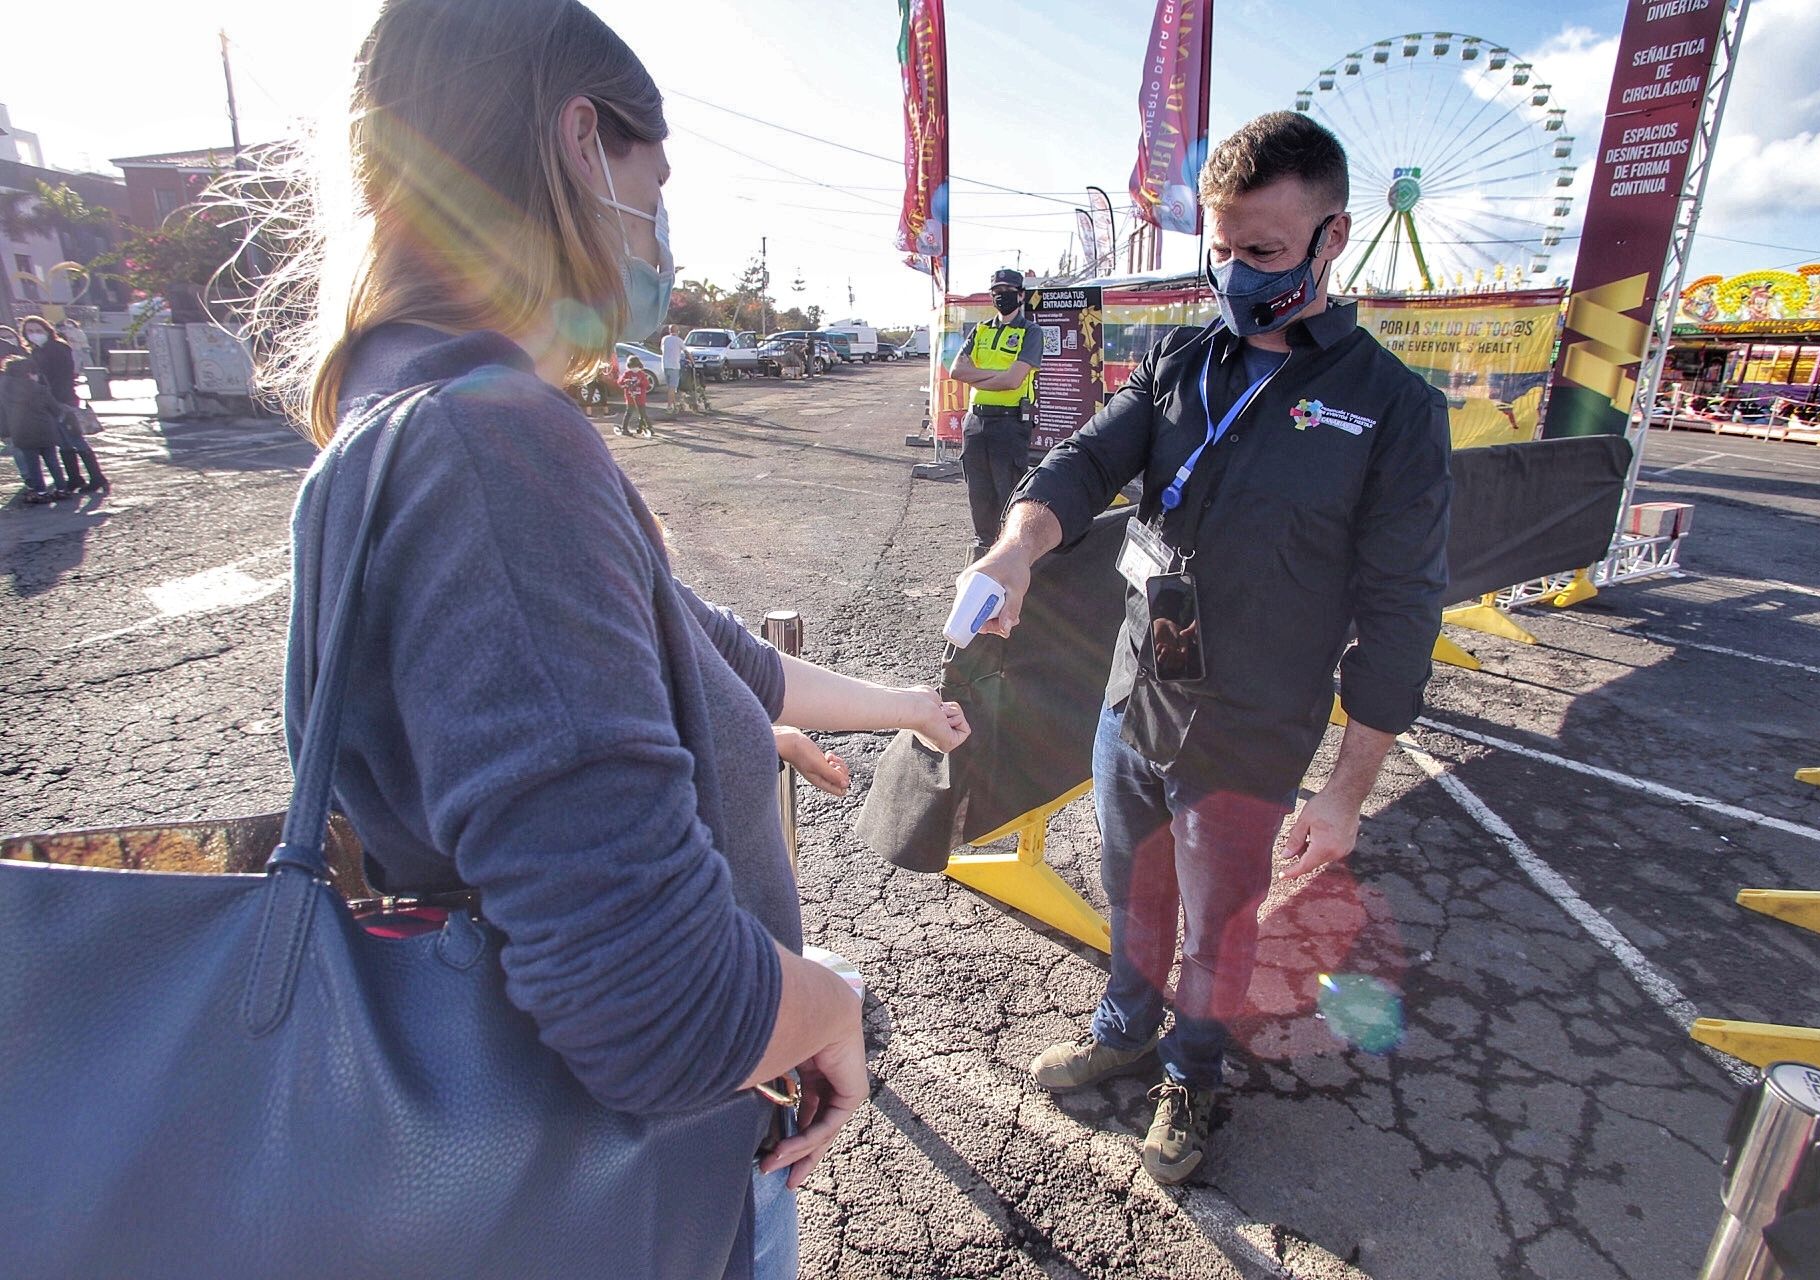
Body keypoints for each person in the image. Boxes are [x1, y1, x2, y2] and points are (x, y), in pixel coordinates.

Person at [249, 2, 971, 1275]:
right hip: (627, 1193)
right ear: (583, 144)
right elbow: (663, 1005)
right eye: (657, 185)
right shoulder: (494, 448)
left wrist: (896, 702)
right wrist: (833, 999)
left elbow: (723, 658)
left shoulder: (396, 418)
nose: (660, 233)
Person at [961, 111, 1451, 1185]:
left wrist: (1348, 789)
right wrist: (1013, 553)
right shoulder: (1182, 361)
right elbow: (1082, 466)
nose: (1234, 272)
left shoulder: (1395, 408)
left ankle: (1193, 1071)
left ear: (1334, 239)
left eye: (1262, 252)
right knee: (1130, 883)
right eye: (1221, 249)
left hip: (1254, 724)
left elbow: (1404, 609)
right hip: (1136, 693)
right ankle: (1125, 1025)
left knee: (1221, 921)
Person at [947, 267, 1043, 560]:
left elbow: (1013, 380)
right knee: (979, 494)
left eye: (1007, 292)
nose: (1001, 297)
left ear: (1021, 295)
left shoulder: (1030, 332)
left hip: (1009, 424)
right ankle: (983, 551)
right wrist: (996, 376)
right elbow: (956, 371)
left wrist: (977, 376)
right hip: (976, 423)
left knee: (1008, 494)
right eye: (996, 292)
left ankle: (1010, 555)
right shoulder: (981, 330)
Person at [19, 315, 108, 494]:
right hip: (50, 401)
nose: (34, 334)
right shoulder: (37, 351)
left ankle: (96, 477)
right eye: (30, 331)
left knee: (74, 438)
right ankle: (75, 478)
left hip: (62, 399)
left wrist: (54, 400)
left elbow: (62, 377)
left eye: (38, 330)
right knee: (63, 441)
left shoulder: (57, 348)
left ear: (47, 331)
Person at [0, 355, 74, 503]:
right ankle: (62, 489)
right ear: (29, 373)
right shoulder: (40, 389)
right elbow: (55, 409)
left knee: (33, 465)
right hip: (45, 430)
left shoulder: (4, 390)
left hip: (21, 432)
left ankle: (40, 492)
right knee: (52, 462)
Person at [616, 352, 653, 437]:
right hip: (630, 397)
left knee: (642, 413)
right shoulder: (627, 374)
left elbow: (646, 384)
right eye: (632, 367)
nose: (634, 369)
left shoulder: (641, 374)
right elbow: (620, 381)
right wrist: (626, 381)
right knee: (629, 412)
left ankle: (645, 427)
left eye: (635, 367)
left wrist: (640, 382)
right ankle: (624, 428)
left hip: (640, 397)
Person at [660, 323, 684, 413]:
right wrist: (692, 361)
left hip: (665, 365)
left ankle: (674, 406)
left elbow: (662, 350)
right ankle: (669, 406)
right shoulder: (679, 340)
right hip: (674, 366)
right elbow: (686, 351)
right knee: (672, 388)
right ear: (678, 331)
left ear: (669, 331)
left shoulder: (664, 339)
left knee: (670, 387)